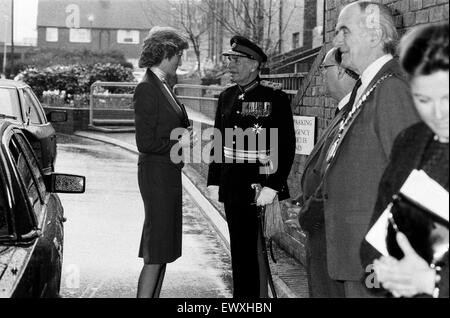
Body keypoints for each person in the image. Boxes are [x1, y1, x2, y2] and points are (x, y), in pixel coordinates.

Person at [313, 1, 420, 297]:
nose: (336, 42)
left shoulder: (391, 89)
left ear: (374, 35)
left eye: (344, 32)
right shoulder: (369, 86)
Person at [361, 22, 449, 298]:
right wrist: (381, 274)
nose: (438, 114)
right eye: (423, 99)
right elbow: (374, 241)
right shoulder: (409, 141)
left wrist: (433, 283)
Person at [207, 36, 296, 297]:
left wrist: (274, 186)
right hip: (233, 188)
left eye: (237, 60)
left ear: (255, 64)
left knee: (256, 256)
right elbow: (218, 141)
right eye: (229, 59)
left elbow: (285, 146)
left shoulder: (274, 98)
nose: (230, 65)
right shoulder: (226, 96)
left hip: (260, 189)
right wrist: (214, 179)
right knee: (239, 253)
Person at [133, 26, 194, 298]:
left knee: (164, 249)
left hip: (167, 174)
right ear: (166, 52)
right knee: (157, 249)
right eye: (178, 55)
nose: (180, 61)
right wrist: (178, 144)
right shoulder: (147, 88)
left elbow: (172, 123)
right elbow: (144, 143)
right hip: (156, 176)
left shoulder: (164, 84)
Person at [298, 47, 357, 297]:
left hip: (331, 233)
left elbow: (335, 178)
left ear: (343, 72)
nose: (322, 75)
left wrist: (306, 214)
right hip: (325, 233)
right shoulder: (343, 110)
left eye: (326, 69)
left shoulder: (353, 113)